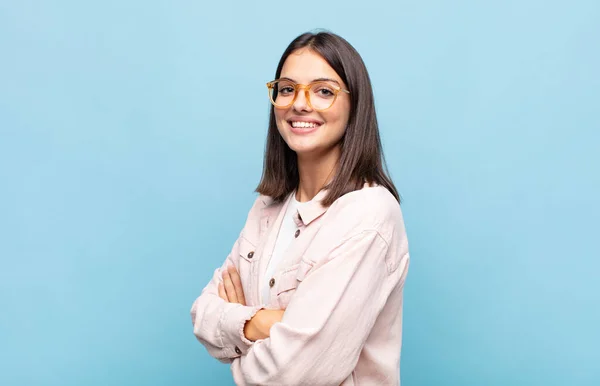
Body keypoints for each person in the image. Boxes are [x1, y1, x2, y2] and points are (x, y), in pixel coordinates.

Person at [190, 30, 410, 386]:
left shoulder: (368, 215)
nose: (300, 104)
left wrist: (238, 333)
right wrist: (262, 323)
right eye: (288, 88)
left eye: (324, 91)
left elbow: (295, 374)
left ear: (356, 105)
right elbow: (202, 314)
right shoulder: (268, 207)